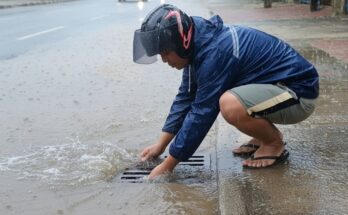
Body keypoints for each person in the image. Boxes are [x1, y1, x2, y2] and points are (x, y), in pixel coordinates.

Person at [133, 4, 319, 179]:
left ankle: (273, 143)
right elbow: (186, 98)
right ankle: (264, 135)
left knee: (230, 105)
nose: (164, 60)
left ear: (182, 41)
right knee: (230, 100)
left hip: (299, 94)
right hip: (278, 89)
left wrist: (168, 165)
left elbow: (201, 114)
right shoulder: (197, 45)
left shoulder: (215, 53)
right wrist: (161, 145)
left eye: (165, 52)